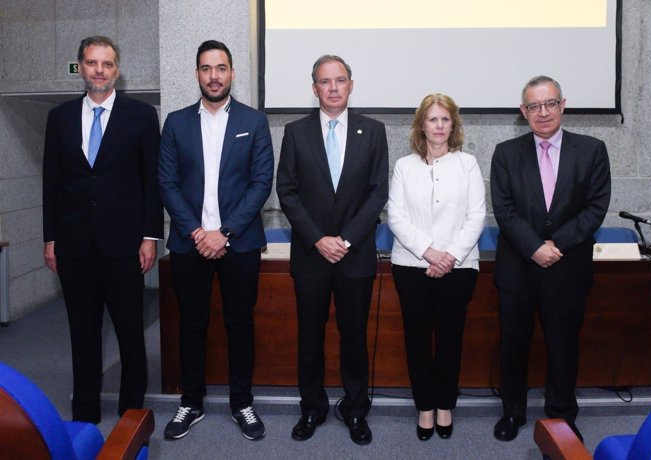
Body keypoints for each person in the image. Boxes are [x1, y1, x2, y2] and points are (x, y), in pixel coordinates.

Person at [42, 36, 163, 423]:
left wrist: (150, 237)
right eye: (92, 63)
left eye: (107, 64)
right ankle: (85, 411)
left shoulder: (141, 116)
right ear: (80, 66)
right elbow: (51, 182)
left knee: (130, 334)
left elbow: (152, 182)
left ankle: (132, 414)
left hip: (125, 246)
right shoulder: (58, 117)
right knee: (83, 334)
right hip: (74, 246)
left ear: (117, 69)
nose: (99, 70)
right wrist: (51, 237)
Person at [158, 40, 274, 441]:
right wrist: (197, 233)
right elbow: (167, 183)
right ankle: (191, 402)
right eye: (206, 68)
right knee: (191, 325)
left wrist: (224, 233)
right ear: (196, 74)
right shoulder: (175, 122)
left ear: (232, 73)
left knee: (240, 325)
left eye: (221, 68)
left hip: (238, 244)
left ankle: (242, 403)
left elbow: (261, 183)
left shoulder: (254, 121)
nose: (213, 76)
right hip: (190, 244)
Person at [490, 75, 611, 442]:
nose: (542, 113)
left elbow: (596, 207)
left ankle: (561, 415)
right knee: (514, 344)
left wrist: (556, 244)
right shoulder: (506, 153)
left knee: (563, 345)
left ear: (563, 104)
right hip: (518, 268)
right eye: (533, 106)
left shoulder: (591, 149)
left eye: (550, 104)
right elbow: (504, 209)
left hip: (567, 266)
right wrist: (534, 247)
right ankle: (512, 412)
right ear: (522, 111)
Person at [276, 55, 389, 445]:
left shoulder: (373, 132)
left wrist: (346, 239)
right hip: (311, 256)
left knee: (354, 337)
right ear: (314, 89)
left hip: (354, 256)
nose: (334, 88)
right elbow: (287, 191)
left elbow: (378, 192)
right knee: (310, 338)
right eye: (325, 81)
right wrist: (318, 238)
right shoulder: (295, 132)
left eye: (340, 80)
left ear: (351, 85)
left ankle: (357, 410)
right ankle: (312, 409)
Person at [387, 93, 485, 441]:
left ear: (453, 125)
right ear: (421, 125)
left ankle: (445, 405)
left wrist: (450, 256)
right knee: (417, 340)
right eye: (433, 119)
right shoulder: (403, 166)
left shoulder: (468, 164)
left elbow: (476, 216)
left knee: (450, 340)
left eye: (445, 119)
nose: (439, 126)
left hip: (459, 269)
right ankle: (424, 407)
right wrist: (429, 252)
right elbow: (395, 217)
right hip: (411, 266)